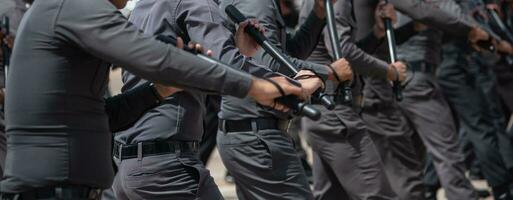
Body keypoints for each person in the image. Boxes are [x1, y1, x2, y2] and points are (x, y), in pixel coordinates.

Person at [0, 0, 306, 199]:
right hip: (52, 190)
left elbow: (99, 117)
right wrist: (255, 86)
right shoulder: (75, 7)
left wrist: (156, 91)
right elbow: (157, 59)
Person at [111, 0, 316, 199]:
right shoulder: (194, 3)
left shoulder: (144, 6)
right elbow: (228, 62)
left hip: (131, 165)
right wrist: (293, 84)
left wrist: (238, 50)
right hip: (167, 168)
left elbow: (202, 68)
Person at [352, 0, 490, 199]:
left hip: (396, 79)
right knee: (445, 150)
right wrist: (472, 30)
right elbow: (433, 12)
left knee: (410, 156)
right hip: (408, 80)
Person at [217, 0, 353, 199]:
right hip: (257, 134)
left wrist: (318, 14)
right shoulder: (256, 3)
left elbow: (286, 53)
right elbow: (268, 62)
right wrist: (329, 72)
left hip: (254, 131)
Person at [299, 0, 406, 199]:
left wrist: (377, 33)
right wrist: (389, 71)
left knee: (331, 195)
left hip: (324, 112)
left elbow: (339, 53)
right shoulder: (338, 3)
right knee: (376, 194)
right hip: (335, 114)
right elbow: (343, 52)